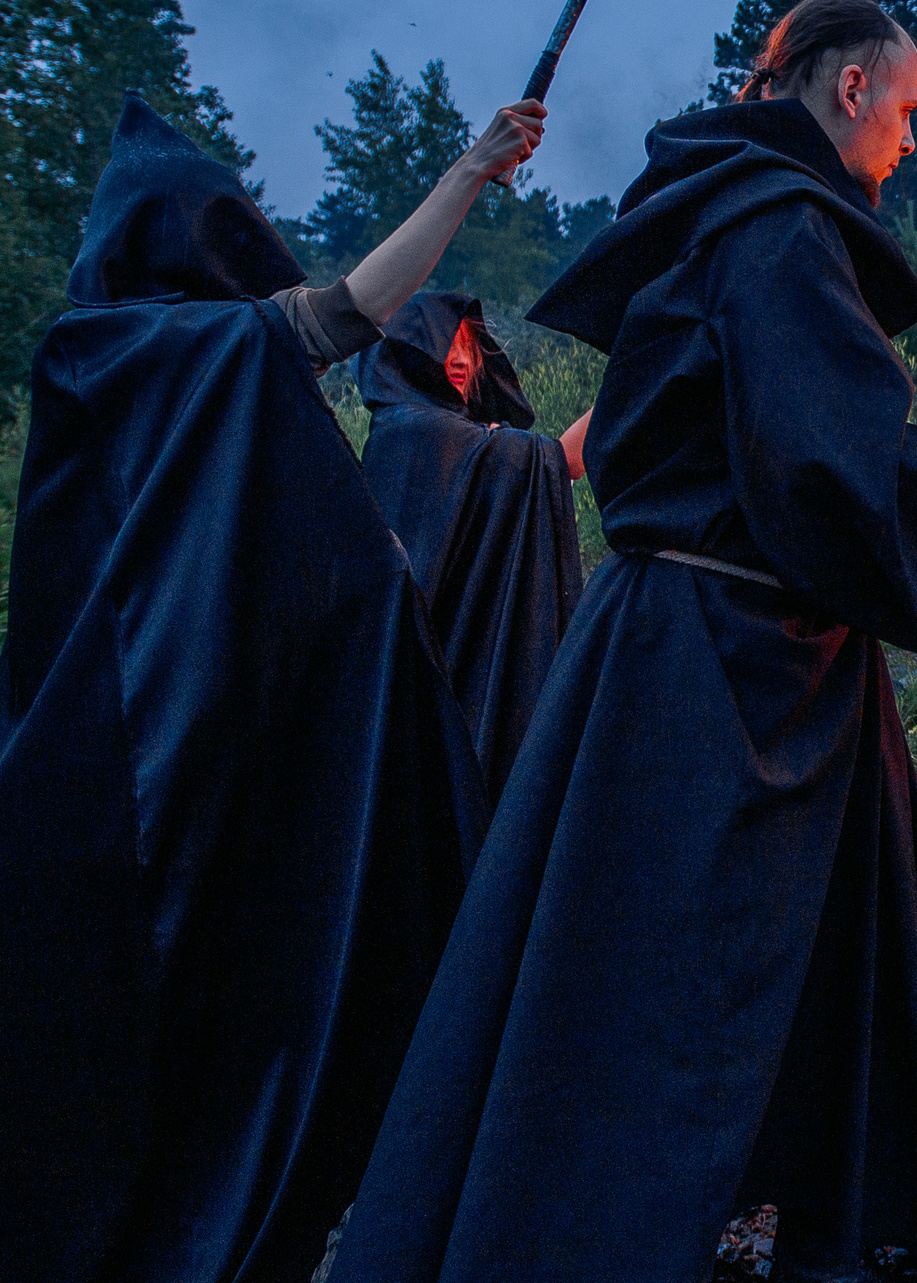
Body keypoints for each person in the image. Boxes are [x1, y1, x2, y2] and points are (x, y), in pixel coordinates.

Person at [330, 0, 917, 1283]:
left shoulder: (725, 215)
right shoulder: (779, 227)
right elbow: (832, 459)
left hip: (717, 642)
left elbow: (783, 440)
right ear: (850, 90)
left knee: (879, 938)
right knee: (655, 989)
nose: (911, 141)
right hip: (725, 668)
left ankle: (869, 1208)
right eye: (907, 110)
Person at [0, 91, 541, 1283]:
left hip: (161, 726)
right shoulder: (148, 348)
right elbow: (349, 312)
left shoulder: (113, 352)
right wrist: (465, 171)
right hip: (142, 742)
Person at [351, 291, 585, 799]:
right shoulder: (423, 433)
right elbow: (559, 463)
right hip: (437, 661)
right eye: (444, 343)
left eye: (467, 345)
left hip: (420, 661)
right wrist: (640, 370)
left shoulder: (398, 430)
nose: (459, 357)